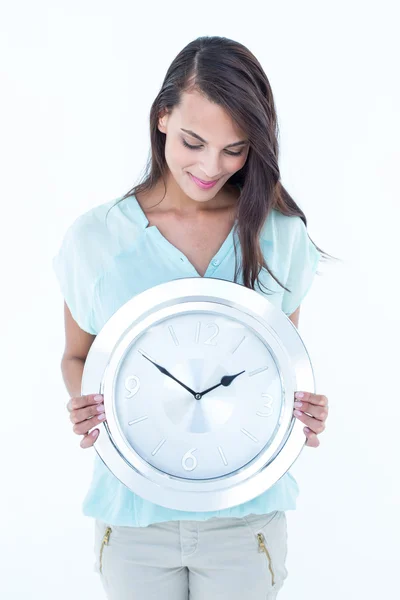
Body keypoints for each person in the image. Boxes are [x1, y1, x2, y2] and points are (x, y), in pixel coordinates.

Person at [53, 35, 330, 600]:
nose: (210, 167)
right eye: (193, 141)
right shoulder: (97, 238)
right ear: (162, 118)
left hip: (244, 520)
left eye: (235, 149)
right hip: (134, 518)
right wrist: (80, 402)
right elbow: (78, 354)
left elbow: (277, 365)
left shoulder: (279, 237)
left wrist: (305, 409)